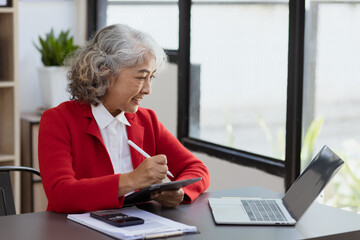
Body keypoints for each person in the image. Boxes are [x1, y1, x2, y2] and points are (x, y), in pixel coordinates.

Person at [38, 24, 210, 213]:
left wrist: (179, 192)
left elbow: (197, 169)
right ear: (105, 72)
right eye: (141, 77)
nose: (147, 89)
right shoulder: (58, 120)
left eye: (151, 77)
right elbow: (61, 194)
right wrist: (132, 180)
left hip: (137, 227)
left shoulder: (147, 120)